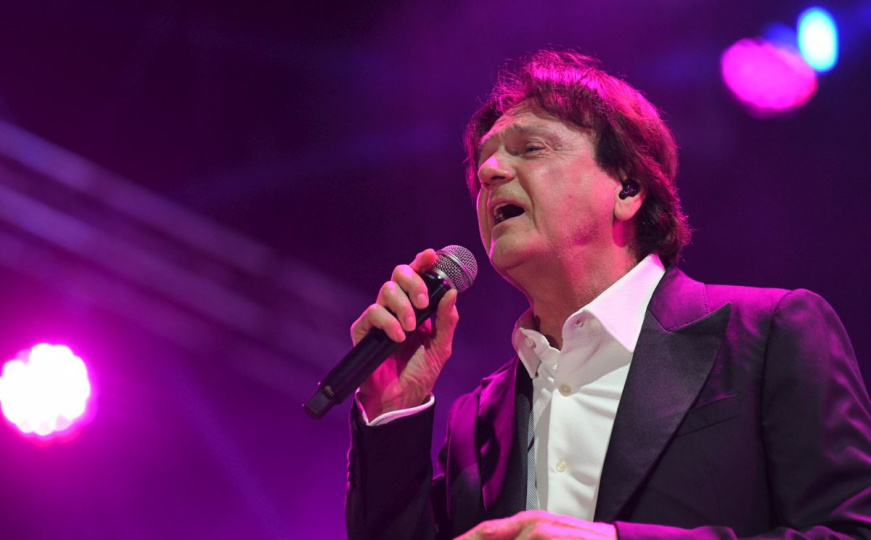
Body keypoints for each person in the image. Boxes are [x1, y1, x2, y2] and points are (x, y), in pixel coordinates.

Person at [344, 50, 871, 539]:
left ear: (627, 188)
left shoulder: (770, 334)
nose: (489, 171)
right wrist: (393, 409)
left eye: (531, 148)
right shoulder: (477, 418)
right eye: (483, 165)